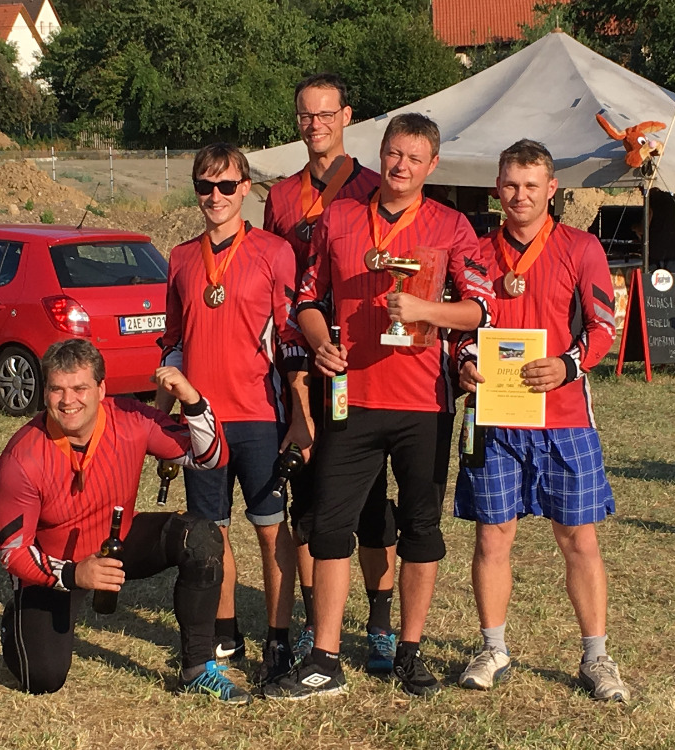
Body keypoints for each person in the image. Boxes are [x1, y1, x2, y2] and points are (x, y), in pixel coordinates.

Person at [266, 113, 495, 699]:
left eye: (415, 158)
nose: (401, 166)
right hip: (354, 398)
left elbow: (481, 310)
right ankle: (325, 658)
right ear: (381, 152)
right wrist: (319, 342)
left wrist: (425, 312)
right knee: (330, 527)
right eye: (394, 153)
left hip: (424, 402)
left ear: (432, 165)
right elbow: (307, 300)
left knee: (420, 529)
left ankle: (409, 652)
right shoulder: (339, 217)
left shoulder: (452, 224)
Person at [452, 140, 629, 702]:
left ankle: (596, 657)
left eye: (531, 185)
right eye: (510, 185)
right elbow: (459, 329)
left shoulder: (581, 247)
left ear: (552, 189)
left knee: (578, 538)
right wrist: (464, 362)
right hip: (495, 417)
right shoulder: (475, 252)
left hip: (565, 418)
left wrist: (568, 365)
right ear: (496, 188)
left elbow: (603, 327)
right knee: (492, 535)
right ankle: (493, 647)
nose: (520, 196)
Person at [0, 339, 250, 703]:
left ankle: (197, 669)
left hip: (118, 540)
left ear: (101, 389)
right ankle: (15, 620)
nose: (68, 401)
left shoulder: (131, 418)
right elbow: (13, 553)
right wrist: (74, 574)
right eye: (57, 389)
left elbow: (210, 457)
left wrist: (192, 401)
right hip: (58, 566)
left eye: (79, 388)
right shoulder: (21, 456)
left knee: (201, 537)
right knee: (42, 678)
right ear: (45, 390)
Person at [262, 72, 399, 672]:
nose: (314, 124)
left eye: (324, 114)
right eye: (305, 115)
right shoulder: (280, 196)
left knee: (371, 500)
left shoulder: (372, 186)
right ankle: (317, 622)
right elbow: (276, 281)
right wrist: (293, 366)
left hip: (358, 362)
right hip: (300, 362)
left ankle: (380, 622)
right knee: (308, 497)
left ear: (347, 116)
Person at [159, 143, 309, 687]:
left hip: (259, 416)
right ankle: (226, 631)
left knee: (271, 530)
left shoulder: (273, 251)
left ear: (246, 188)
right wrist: (161, 419)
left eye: (226, 186)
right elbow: (173, 344)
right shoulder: (180, 257)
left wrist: (301, 416)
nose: (215, 196)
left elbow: (291, 340)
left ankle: (278, 636)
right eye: (205, 186)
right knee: (211, 534)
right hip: (202, 421)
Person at [642, 186, 675, 271]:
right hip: (671, 241)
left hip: (656, 242)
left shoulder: (653, 200)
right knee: (671, 273)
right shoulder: (670, 200)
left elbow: (649, 217)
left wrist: (640, 229)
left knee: (654, 272)